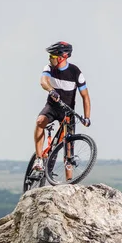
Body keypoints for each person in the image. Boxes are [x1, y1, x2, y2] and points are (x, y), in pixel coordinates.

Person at [33, 41, 91, 180]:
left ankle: (69, 183)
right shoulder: (48, 68)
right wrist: (51, 90)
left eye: (51, 56)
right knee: (40, 121)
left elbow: (85, 97)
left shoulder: (75, 72)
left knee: (69, 150)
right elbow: (43, 81)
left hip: (68, 112)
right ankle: (39, 158)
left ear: (61, 58)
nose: (49, 59)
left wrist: (87, 117)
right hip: (52, 107)